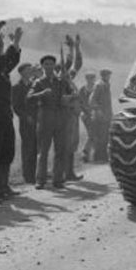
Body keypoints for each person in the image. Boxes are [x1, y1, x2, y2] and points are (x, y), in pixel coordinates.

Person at [0, 22, 22, 199]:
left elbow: (13, 59)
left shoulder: (5, 73)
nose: (4, 62)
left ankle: (3, 187)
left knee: (7, 153)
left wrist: (15, 42)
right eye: (0, 59)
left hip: (6, 118)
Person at [28, 54, 73, 189]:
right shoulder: (38, 82)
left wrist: (68, 98)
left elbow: (73, 95)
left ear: (54, 66)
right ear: (42, 66)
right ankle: (40, 180)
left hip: (61, 119)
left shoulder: (62, 81)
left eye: (51, 64)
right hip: (45, 119)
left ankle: (58, 179)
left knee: (60, 150)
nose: (49, 66)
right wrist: (41, 94)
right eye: (46, 64)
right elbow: (29, 97)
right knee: (43, 152)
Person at [62, 34, 84, 182]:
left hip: (74, 116)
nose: (71, 73)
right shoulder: (61, 81)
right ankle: (65, 173)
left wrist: (77, 46)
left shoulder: (69, 80)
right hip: (65, 116)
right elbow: (70, 63)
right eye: (67, 72)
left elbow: (78, 64)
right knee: (66, 145)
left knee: (72, 145)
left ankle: (69, 172)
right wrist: (70, 48)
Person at [11, 62, 38, 185]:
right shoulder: (17, 87)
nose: (31, 71)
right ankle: (27, 175)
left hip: (36, 120)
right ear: (22, 72)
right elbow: (16, 106)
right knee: (28, 147)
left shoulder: (34, 85)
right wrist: (25, 116)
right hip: (26, 122)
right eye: (28, 70)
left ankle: (33, 174)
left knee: (35, 147)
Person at [89, 68, 113, 163]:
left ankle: (103, 157)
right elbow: (92, 101)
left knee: (105, 137)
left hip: (106, 115)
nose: (109, 76)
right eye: (107, 75)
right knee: (100, 138)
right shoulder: (99, 85)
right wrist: (98, 110)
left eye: (109, 75)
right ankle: (98, 158)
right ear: (103, 75)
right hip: (100, 116)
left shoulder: (106, 85)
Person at [79, 71, 96, 163]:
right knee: (92, 134)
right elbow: (80, 102)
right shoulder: (82, 89)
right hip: (86, 115)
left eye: (92, 78)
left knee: (93, 134)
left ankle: (89, 153)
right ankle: (85, 152)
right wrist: (86, 111)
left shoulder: (96, 88)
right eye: (89, 78)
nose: (91, 80)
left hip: (93, 114)